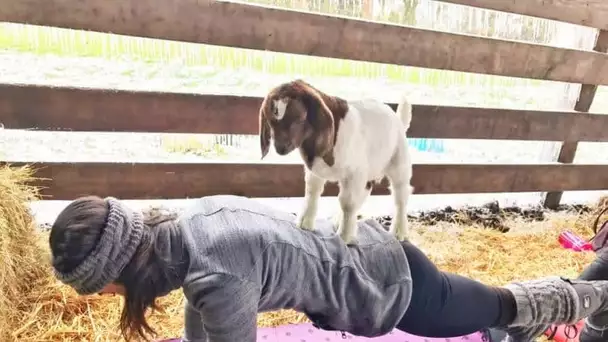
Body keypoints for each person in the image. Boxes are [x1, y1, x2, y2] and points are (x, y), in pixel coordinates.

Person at [49, 194, 608, 342]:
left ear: (124, 267)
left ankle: (594, 295)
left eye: (104, 287)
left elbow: (216, 302)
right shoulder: (184, 228)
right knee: (494, 306)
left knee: (500, 304)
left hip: (391, 286)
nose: (104, 298)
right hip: (370, 252)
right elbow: (204, 309)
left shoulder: (216, 275)